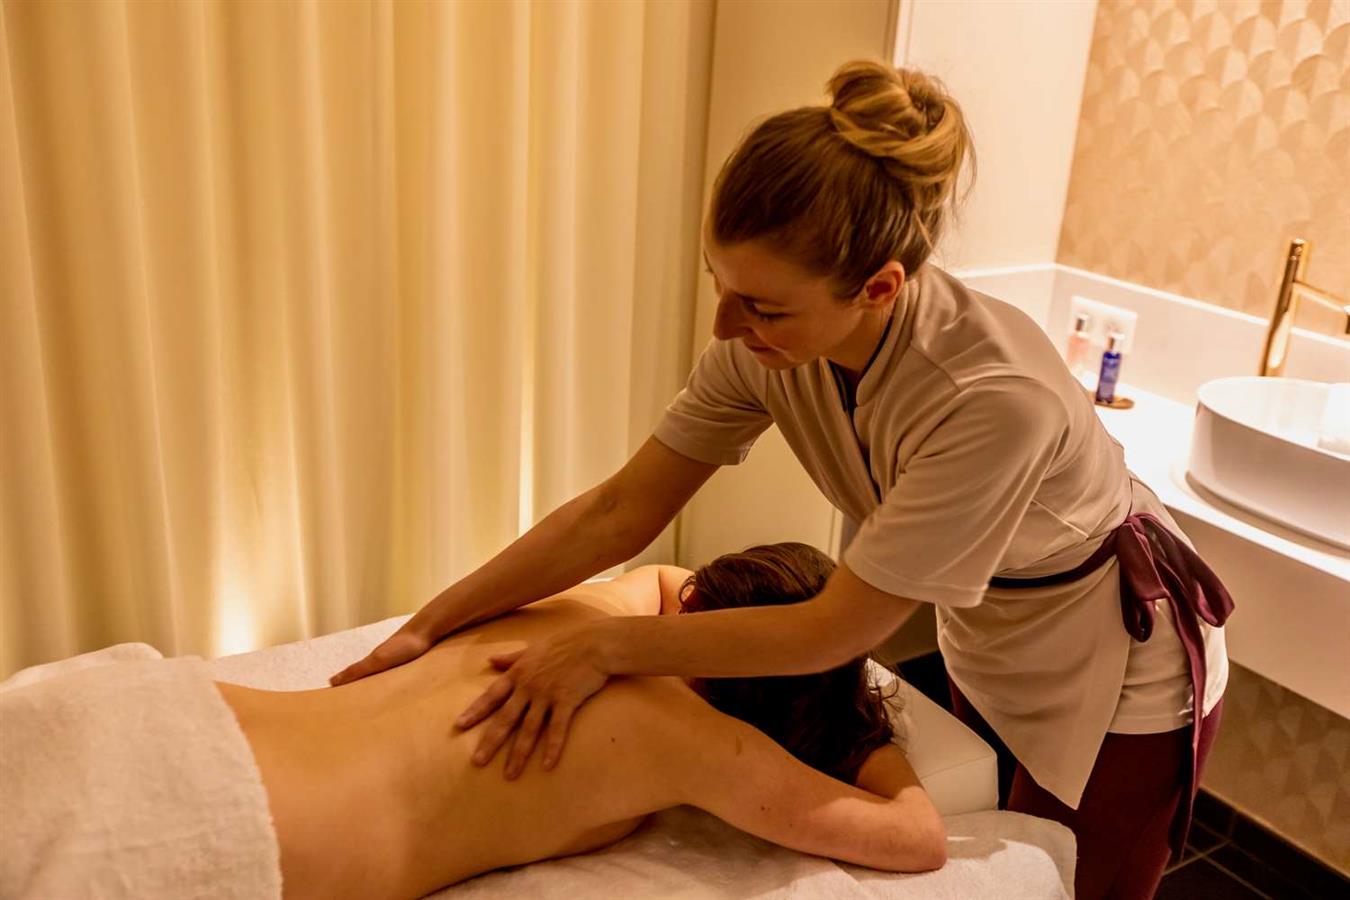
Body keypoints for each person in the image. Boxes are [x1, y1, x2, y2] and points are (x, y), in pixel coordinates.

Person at [332, 59, 1232, 900]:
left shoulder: (990, 400)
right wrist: (428, 623)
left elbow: (833, 629)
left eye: (761, 306)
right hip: (991, 626)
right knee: (1003, 828)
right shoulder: (765, 348)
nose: (724, 326)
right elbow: (619, 508)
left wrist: (604, 648)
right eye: (718, 284)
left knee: (1075, 882)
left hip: (1119, 651)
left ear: (878, 289)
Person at [1, 544, 945, 900]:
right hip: (203, 819)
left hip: (146, 713)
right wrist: (854, 722)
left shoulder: (579, 616)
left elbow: (667, 577)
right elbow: (918, 838)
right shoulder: (696, 740)